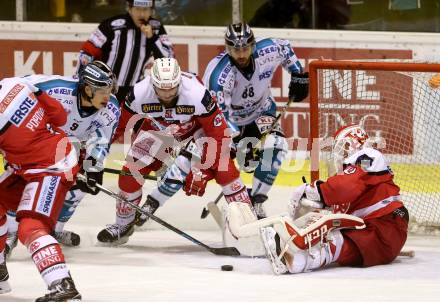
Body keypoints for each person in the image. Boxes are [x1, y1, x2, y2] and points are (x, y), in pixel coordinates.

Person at [96, 57, 256, 245]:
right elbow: (117, 127)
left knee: (224, 170)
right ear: (152, 83)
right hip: (159, 128)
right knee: (129, 175)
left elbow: (218, 135)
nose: (166, 95)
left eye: (171, 88)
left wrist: (202, 170)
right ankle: (122, 225)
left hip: (196, 127)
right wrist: (95, 157)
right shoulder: (138, 93)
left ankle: (248, 222)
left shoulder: (197, 95)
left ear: (179, 82)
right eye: (161, 89)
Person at [257, 124, 409, 274]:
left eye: (343, 147)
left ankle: (294, 261)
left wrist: (313, 190)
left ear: (354, 142)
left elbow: (345, 187)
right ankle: (292, 253)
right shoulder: (358, 179)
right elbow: (340, 204)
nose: (341, 155)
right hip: (374, 238)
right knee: (338, 241)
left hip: (385, 225)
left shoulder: (369, 155)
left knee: (333, 239)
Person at [5, 61, 119, 253]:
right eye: (102, 91)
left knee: (78, 188)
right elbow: (17, 86)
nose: (108, 96)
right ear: (87, 89)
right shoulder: (56, 89)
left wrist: (93, 168)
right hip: (39, 138)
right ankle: (10, 233)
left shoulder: (111, 109)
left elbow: (101, 140)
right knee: (21, 180)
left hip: (70, 146)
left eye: (109, 90)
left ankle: (54, 230)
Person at [202, 22, 309, 219]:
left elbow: (285, 47)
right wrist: (238, 141)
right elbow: (219, 115)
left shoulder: (267, 48)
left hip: (263, 111)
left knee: (277, 145)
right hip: (232, 121)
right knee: (246, 163)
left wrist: (297, 74)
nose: (241, 54)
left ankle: (256, 201)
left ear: (253, 45)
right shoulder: (218, 75)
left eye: (245, 48)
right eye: (235, 49)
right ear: (227, 48)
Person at [0, 77, 81, 300]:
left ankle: (62, 285)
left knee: (31, 227)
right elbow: (60, 117)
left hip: (50, 168)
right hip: (41, 162)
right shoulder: (15, 83)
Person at [77, 0, 174, 102]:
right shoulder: (112, 25)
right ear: (130, 9)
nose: (141, 14)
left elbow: (169, 60)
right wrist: (81, 81)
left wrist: (152, 38)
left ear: (151, 11)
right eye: (137, 9)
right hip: (104, 88)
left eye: (145, 10)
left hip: (134, 91)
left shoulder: (157, 28)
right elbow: (87, 53)